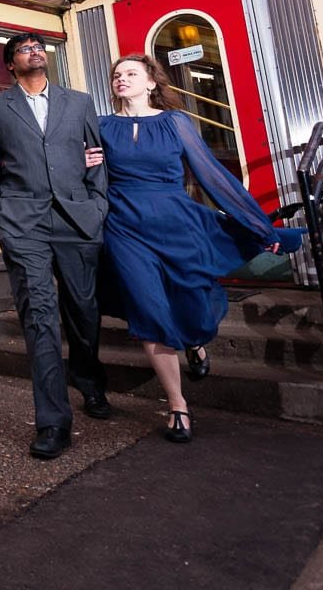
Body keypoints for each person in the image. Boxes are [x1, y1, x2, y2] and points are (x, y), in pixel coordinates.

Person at [98, 54, 303, 443]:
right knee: (148, 309)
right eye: (116, 75)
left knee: (192, 303)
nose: (121, 79)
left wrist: (257, 224)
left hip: (177, 223)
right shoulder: (102, 126)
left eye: (131, 74)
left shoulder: (175, 123)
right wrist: (88, 161)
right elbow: (89, 174)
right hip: (124, 226)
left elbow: (211, 173)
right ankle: (177, 404)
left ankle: (195, 342)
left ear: (151, 83)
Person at [0, 32, 112, 460]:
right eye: (24, 49)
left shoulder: (79, 102)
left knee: (84, 312)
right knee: (39, 319)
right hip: (24, 225)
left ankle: (88, 381)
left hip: (76, 219)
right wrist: (0, 214)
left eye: (39, 47)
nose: (35, 52)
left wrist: (97, 205)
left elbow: (96, 156)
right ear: (11, 65)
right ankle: (53, 422)